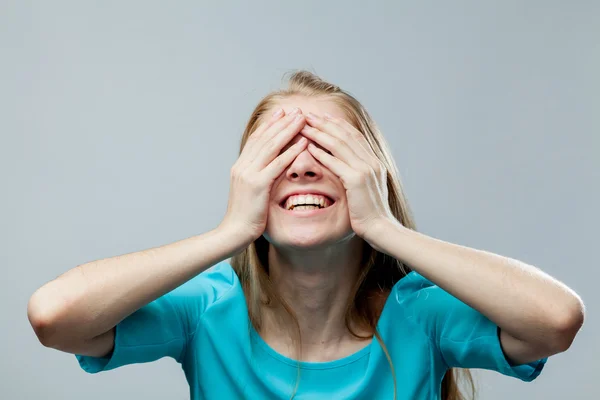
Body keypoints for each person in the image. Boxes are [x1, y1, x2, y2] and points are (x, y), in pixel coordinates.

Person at [27, 70, 585, 400]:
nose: (301, 168)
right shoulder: (209, 311)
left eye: (327, 150)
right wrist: (230, 231)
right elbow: (55, 315)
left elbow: (556, 319)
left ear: (372, 175)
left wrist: (384, 225)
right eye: (278, 154)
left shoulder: (420, 315)